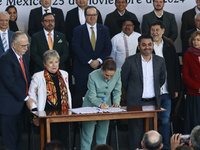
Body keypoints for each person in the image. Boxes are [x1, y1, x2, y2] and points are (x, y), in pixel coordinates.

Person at [121, 34, 166, 149]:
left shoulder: (160, 61)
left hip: (152, 104)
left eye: (150, 44)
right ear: (139, 46)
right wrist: (133, 92)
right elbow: (124, 80)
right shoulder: (130, 60)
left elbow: (161, 79)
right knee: (135, 136)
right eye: (144, 45)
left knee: (151, 138)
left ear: (153, 46)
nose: (147, 47)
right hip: (135, 103)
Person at [29, 50, 72, 148]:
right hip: (46, 115)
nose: (54, 65)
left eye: (56, 62)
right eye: (51, 62)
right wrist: (36, 114)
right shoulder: (38, 76)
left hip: (63, 114)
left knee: (64, 141)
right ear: (44, 64)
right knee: (50, 142)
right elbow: (31, 96)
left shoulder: (64, 74)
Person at [0, 31, 36, 150]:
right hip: (9, 107)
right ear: (14, 45)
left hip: (20, 106)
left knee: (19, 140)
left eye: (27, 45)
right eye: (23, 46)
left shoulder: (23, 56)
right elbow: (10, 83)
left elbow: (26, 77)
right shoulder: (5, 59)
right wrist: (26, 98)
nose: (26, 48)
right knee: (9, 141)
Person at [72, 6, 112, 108]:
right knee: (82, 99)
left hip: (100, 70)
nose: (92, 17)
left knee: (99, 98)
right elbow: (76, 48)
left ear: (97, 16)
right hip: (82, 70)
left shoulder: (104, 29)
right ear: (85, 16)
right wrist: (89, 61)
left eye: (94, 15)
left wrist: (98, 61)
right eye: (89, 15)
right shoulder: (78, 30)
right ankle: (82, 123)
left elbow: (108, 48)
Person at [150, 20, 181, 150]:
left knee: (164, 120)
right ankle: (151, 146)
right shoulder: (146, 44)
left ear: (163, 31)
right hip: (150, 91)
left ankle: (166, 147)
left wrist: (176, 88)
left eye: (157, 30)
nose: (154, 32)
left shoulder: (169, 45)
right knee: (150, 120)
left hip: (167, 90)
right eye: (152, 30)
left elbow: (175, 68)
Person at [81, 57, 121, 150]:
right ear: (102, 69)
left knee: (102, 135)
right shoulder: (92, 75)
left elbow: (117, 90)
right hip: (90, 105)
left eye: (112, 76)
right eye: (107, 75)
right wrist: (100, 104)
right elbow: (91, 96)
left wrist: (116, 103)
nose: (109, 78)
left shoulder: (118, 73)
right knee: (87, 136)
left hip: (107, 105)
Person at [182, 31, 200, 134]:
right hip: (194, 94)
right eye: (194, 40)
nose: (195, 42)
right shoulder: (187, 55)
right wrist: (197, 87)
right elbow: (185, 77)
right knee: (195, 122)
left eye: (198, 40)